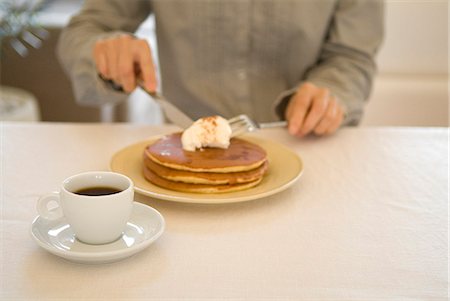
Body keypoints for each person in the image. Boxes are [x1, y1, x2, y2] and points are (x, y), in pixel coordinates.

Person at [57, 0, 384, 137]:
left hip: (306, 152)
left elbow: (352, 56)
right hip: (183, 161)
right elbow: (84, 30)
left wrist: (333, 91)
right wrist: (106, 51)